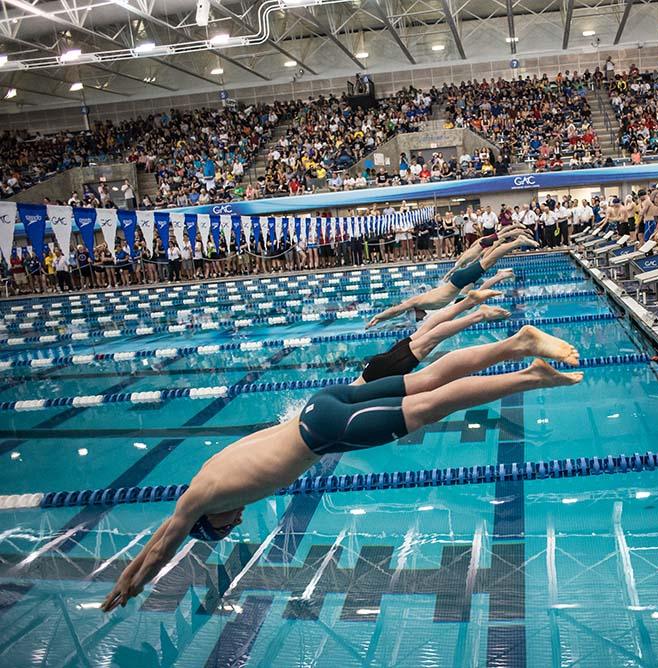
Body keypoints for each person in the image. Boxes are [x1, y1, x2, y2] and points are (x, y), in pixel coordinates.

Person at [100, 328, 583, 613]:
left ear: (212, 520)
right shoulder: (206, 474)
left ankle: (528, 374)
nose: (238, 523)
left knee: (431, 405)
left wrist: (131, 584)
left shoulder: (202, 502)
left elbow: (165, 541)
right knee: (427, 379)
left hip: (325, 430)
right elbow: (164, 529)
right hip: (319, 405)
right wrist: (137, 566)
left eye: (224, 530)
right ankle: (517, 345)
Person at [366, 233, 537, 327]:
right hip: (458, 283)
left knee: (488, 260)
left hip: (458, 281)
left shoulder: (416, 301)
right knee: (487, 261)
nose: (418, 318)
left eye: (416, 317)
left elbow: (397, 309)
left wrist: (379, 317)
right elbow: (398, 313)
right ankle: (511, 245)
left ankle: (516, 242)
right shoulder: (424, 306)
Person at [358, 290, 508, 384]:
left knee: (431, 339)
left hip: (379, 374)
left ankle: (479, 314)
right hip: (374, 369)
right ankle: (469, 302)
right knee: (426, 331)